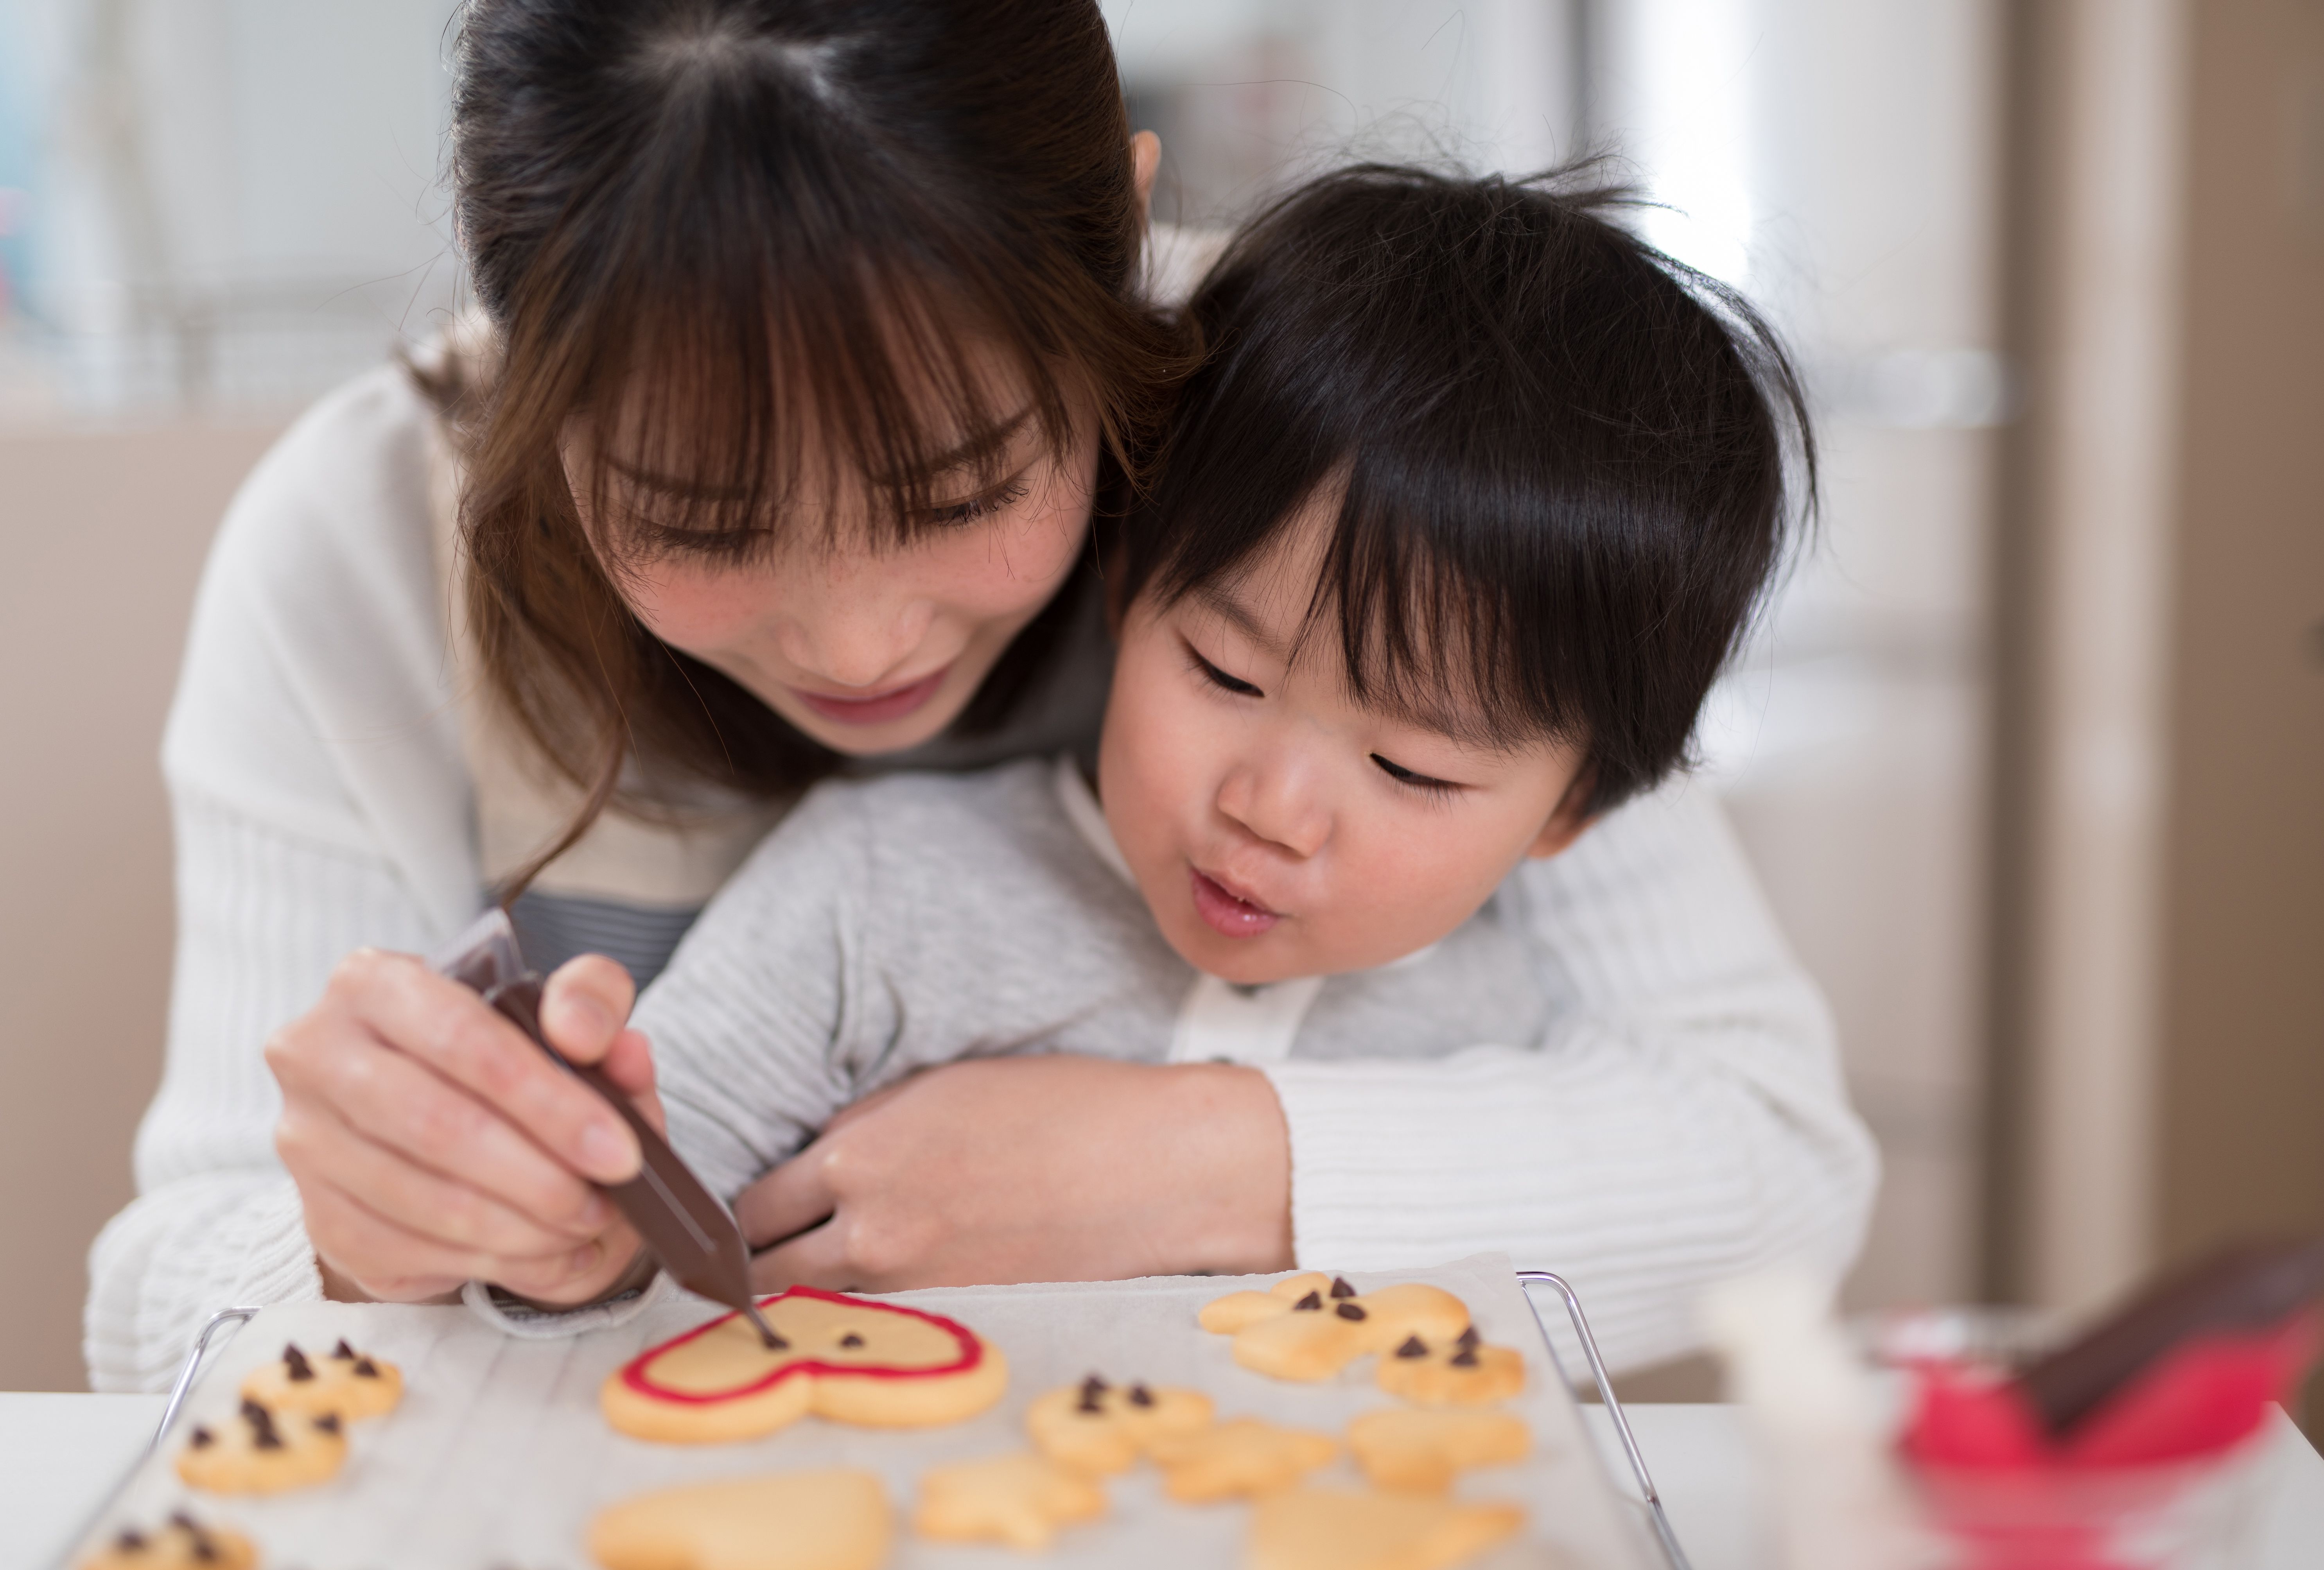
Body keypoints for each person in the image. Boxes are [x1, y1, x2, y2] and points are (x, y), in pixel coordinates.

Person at [86, 0, 1872, 1393]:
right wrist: (357, 1235)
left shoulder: (1319, 452)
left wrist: (1177, 1164)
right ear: (532, 383)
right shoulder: (360, 549)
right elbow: (158, 1311)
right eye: (699, 514)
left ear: (1121, 259)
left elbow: (1767, 1158)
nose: (864, 648)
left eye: (958, 489)